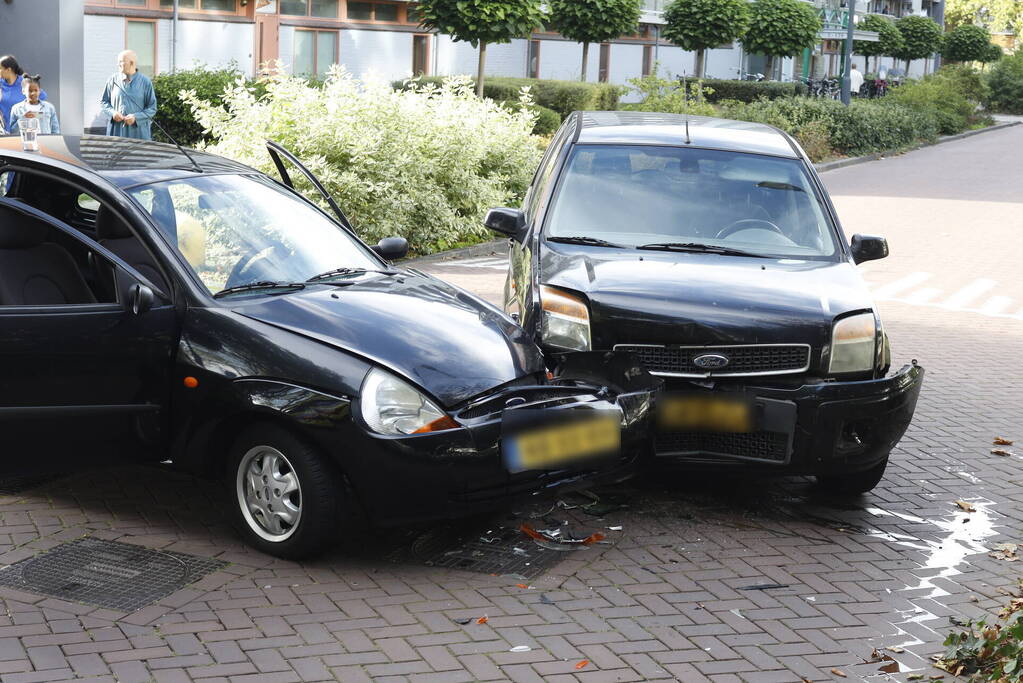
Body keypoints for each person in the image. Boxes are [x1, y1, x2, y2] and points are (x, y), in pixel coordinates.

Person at [100, 50, 157, 140]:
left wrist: (136, 117)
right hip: (116, 133)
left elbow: (152, 108)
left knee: (137, 150)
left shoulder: (146, 82)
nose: (118, 64)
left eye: (121, 61)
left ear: (131, 63)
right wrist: (113, 113)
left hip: (138, 134)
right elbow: (104, 102)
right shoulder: (112, 80)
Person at [0, 55, 46, 134]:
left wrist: (30, 116)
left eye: (0, 68)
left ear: (8, 70)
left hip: (24, 133)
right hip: (4, 133)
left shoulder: (26, 83)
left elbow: (42, 109)